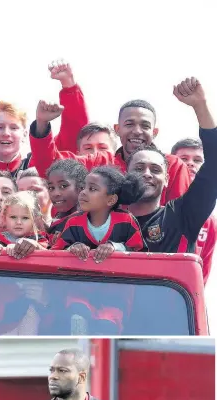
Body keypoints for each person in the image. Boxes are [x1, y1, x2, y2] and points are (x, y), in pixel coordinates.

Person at [30, 95, 191, 205]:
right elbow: (51, 167)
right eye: (129, 124)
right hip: (105, 250)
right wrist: (42, 123)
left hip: (157, 249)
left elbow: (181, 214)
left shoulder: (173, 165)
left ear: (154, 132)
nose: (137, 131)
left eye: (145, 125)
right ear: (117, 129)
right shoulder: (100, 162)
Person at [127, 77, 217, 254]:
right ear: (125, 175)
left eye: (155, 169)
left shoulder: (183, 215)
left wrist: (200, 106)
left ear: (167, 179)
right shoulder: (105, 219)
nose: (147, 174)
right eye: (139, 168)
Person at [0, 61, 89, 175]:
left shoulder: (40, 165)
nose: (6, 133)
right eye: (0, 127)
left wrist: (69, 85)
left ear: (24, 134)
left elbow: (73, 135)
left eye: (13, 128)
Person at [52, 167, 145, 261]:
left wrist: (116, 247)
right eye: (83, 187)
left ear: (111, 200)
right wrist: (72, 248)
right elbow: (55, 254)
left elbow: (140, 252)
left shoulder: (126, 220)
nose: (83, 192)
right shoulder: (73, 222)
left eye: (92, 189)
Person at [171, 137, 215, 283]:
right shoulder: (159, 203)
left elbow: (203, 269)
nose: (190, 163)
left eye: (197, 160)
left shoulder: (210, 221)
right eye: (183, 159)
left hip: (183, 295)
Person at [0, 191, 48, 256]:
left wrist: (36, 246)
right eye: (13, 217)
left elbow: (48, 255)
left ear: (33, 220)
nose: (18, 222)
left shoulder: (38, 239)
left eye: (25, 218)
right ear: (4, 218)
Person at [45, 159, 88, 245]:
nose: (55, 193)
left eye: (63, 186)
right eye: (51, 188)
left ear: (81, 187)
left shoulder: (89, 221)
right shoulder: (57, 220)